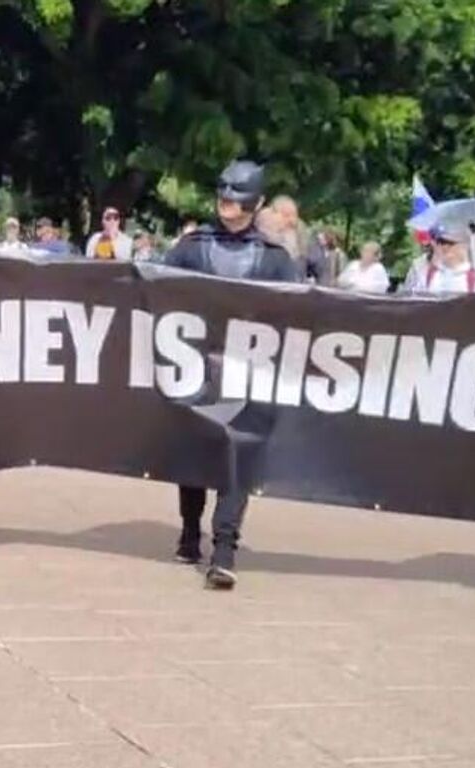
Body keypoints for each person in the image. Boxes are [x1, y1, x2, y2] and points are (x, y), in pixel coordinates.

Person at [159, 160, 298, 589]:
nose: (227, 203)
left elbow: (294, 310)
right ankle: (189, 532)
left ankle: (224, 548)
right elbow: (158, 289)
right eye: (223, 195)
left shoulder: (275, 259)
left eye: (237, 197)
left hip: (249, 372)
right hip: (197, 368)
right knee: (193, 457)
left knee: (239, 458)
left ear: (256, 202)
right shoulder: (191, 248)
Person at [400, 224, 475, 296]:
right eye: (441, 242)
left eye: (450, 243)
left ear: (463, 246)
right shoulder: (424, 275)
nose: (445, 247)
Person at [265, 195, 330, 284]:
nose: (291, 220)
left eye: (294, 215)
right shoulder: (261, 235)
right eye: (285, 215)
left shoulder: (305, 237)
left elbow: (322, 271)